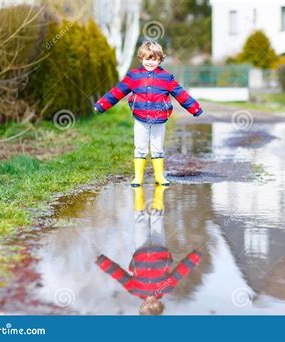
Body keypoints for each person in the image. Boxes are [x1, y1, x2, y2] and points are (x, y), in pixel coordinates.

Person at [94, 41, 203, 187]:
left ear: (160, 59)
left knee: (157, 147)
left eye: (154, 59)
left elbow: (181, 94)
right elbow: (118, 91)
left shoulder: (166, 77)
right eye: (147, 59)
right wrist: (102, 104)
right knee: (140, 147)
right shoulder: (134, 76)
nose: (150, 62)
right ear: (141, 58)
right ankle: (138, 177)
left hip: (160, 119)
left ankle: (159, 176)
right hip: (140, 118)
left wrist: (195, 108)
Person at [95, 185, 202, 315]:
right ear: (160, 304)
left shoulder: (135, 290)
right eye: (154, 307)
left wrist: (102, 262)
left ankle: (137, 189)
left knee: (140, 221)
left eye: (146, 307)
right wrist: (194, 258)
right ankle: (160, 189)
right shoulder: (165, 288)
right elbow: (180, 272)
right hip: (160, 251)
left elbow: (118, 275)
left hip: (141, 252)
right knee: (156, 218)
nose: (150, 304)